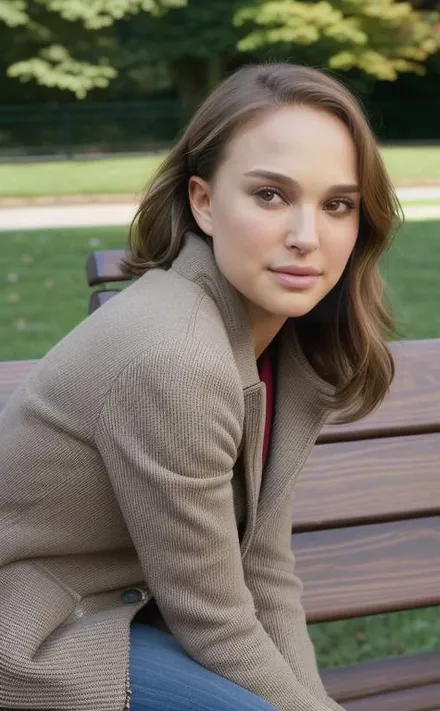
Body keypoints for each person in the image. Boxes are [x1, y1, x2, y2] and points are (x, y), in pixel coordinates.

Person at [0, 62, 399, 711]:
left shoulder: (292, 344)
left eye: (337, 204)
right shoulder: (174, 354)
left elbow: (264, 566)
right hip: (38, 633)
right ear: (204, 202)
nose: (306, 236)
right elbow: (214, 621)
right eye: (270, 195)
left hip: (129, 614)